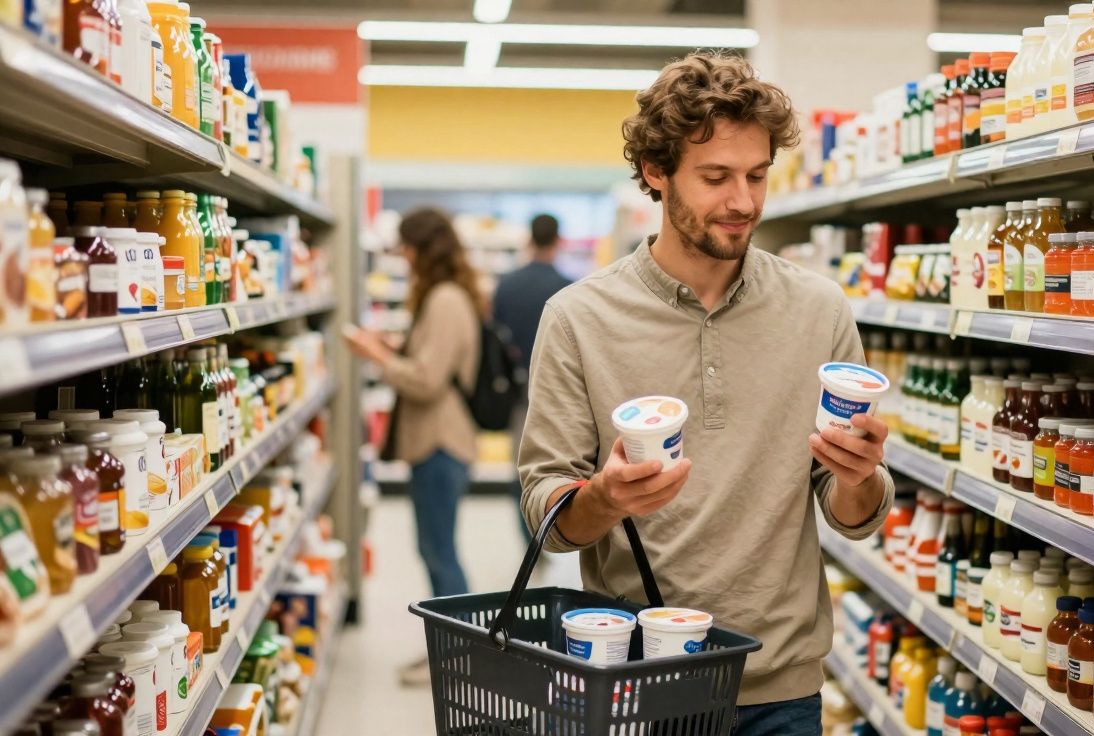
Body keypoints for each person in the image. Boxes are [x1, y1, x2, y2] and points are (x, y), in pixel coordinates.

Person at [517, 52, 893, 735]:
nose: (743, 201)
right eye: (716, 177)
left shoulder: (818, 309)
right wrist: (600, 499)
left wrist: (860, 476)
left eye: (756, 175)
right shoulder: (579, 316)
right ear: (656, 174)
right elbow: (545, 504)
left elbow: (852, 515)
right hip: (636, 680)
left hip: (780, 685)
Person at [341, 207, 482, 686]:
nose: (401, 254)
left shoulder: (444, 298)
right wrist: (395, 344)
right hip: (436, 443)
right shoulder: (446, 295)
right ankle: (448, 648)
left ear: (423, 247)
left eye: (405, 245)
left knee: (440, 552)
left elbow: (426, 381)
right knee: (435, 549)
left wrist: (377, 356)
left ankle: (459, 655)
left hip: (442, 443)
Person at [492, 214, 573, 543]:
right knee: (554, 466)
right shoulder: (568, 288)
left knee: (522, 465)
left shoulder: (507, 285)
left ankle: (527, 536)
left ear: (530, 239)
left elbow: (496, 337)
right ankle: (548, 533)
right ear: (558, 241)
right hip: (557, 392)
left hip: (518, 390)